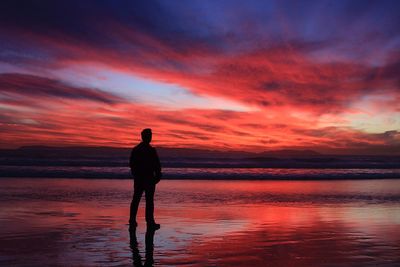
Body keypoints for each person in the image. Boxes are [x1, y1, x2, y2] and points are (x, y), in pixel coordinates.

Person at [129, 128, 162, 230]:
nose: (150, 137)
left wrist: (157, 176)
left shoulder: (140, 150)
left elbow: (157, 165)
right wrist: (157, 175)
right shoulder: (144, 150)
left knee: (141, 200)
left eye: (150, 135)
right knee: (141, 200)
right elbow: (133, 165)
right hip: (145, 178)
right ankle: (141, 221)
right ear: (144, 137)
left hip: (145, 179)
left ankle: (141, 221)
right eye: (149, 135)